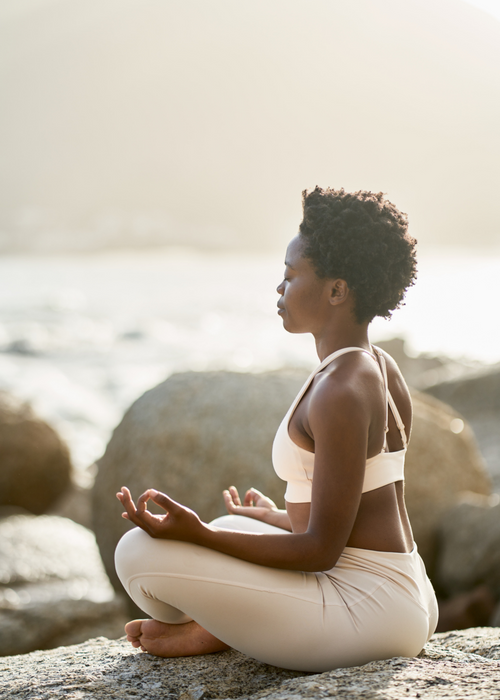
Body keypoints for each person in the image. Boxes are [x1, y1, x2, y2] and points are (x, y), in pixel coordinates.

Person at [115, 187, 438, 672]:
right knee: (235, 526)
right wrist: (274, 519)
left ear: (336, 290)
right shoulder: (374, 366)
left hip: (371, 613)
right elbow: (357, 518)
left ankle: (217, 628)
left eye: (290, 276)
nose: (279, 290)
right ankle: (230, 624)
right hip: (401, 588)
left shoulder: (341, 392)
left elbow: (321, 551)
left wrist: (199, 534)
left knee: (136, 553)